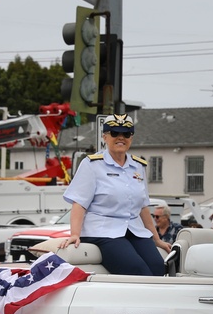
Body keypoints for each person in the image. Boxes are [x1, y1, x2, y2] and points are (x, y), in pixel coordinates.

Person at [59, 114, 168, 275]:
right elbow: (79, 203)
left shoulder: (138, 166)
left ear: (131, 137)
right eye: (115, 133)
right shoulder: (92, 164)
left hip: (133, 229)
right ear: (105, 136)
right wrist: (75, 234)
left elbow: (143, 206)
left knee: (158, 267)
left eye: (126, 134)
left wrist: (156, 238)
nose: (121, 138)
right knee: (137, 270)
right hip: (103, 231)